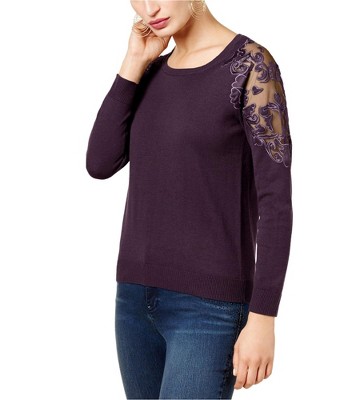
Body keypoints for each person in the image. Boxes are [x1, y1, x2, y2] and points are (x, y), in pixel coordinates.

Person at [86, 0, 293, 398]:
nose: (150, 8)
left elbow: (276, 202)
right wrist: (133, 62)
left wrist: (263, 316)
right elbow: (100, 162)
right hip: (133, 299)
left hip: (208, 308)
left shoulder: (250, 66)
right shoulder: (150, 71)